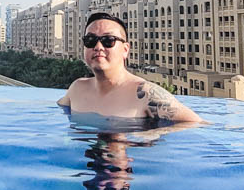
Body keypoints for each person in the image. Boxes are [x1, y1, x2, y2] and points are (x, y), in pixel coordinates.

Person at [57, 12, 202, 122]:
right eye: (90, 40)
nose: (98, 46)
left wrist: (152, 134)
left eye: (108, 40)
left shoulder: (146, 94)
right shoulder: (77, 89)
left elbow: (195, 124)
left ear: (125, 49)